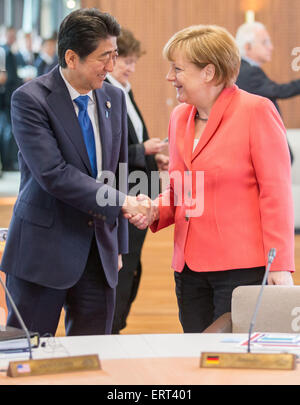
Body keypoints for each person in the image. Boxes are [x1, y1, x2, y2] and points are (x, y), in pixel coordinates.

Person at [127, 25, 295, 333]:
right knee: (196, 359)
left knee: (234, 366)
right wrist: (155, 208)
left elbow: (276, 194)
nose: (169, 77)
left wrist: (281, 266)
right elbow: (181, 190)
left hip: (242, 269)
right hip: (188, 270)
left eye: (177, 69)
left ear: (209, 72)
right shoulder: (180, 117)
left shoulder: (257, 111)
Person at [0, 8, 149, 337]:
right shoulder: (30, 99)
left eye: (114, 55)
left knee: (93, 357)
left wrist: (119, 248)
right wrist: (124, 203)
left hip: (100, 257)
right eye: (103, 57)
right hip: (42, 254)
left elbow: (118, 171)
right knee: (29, 357)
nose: (111, 67)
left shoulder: (114, 97)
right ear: (71, 57)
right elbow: (54, 173)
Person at [105, 28, 168, 334]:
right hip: (123, 192)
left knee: (132, 266)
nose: (130, 68)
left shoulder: (124, 90)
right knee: (124, 266)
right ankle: (112, 329)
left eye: (133, 62)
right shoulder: (106, 92)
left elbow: (132, 140)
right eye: (124, 61)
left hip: (141, 187)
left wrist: (153, 158)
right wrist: (143, 149)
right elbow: (108, 151)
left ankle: (117, 326)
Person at [235, 22, 300, 164]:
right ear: (248, 46)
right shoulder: (248, 72)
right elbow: (279, 91)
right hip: (263, 150)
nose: (271, 47)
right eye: (265, 42)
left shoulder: (242, 69)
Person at [0, 27, 23, 171]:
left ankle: (8, 162)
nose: (11, 38)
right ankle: (7, 163)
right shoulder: (4, 52)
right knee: (7, 130)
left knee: (9, 130)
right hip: (7, 97)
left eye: (13, 35)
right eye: (9, 35)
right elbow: (3, 77)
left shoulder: (11, 53)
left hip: (11, 95)